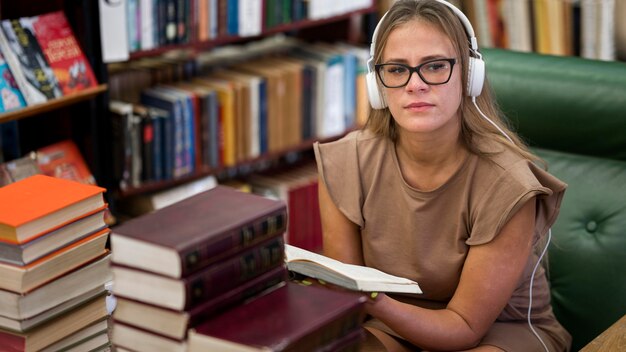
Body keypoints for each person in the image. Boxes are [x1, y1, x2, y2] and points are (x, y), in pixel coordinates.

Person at [313, 0, 572, 351]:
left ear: (468, 75)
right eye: (397, 69)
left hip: (499, 331)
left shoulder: (509, 184)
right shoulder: (345, 163)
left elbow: (463, 327)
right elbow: (347, 300)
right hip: (391, 323)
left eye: (434, 66)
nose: (415, 84)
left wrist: (372, 300)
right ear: (378, 84)